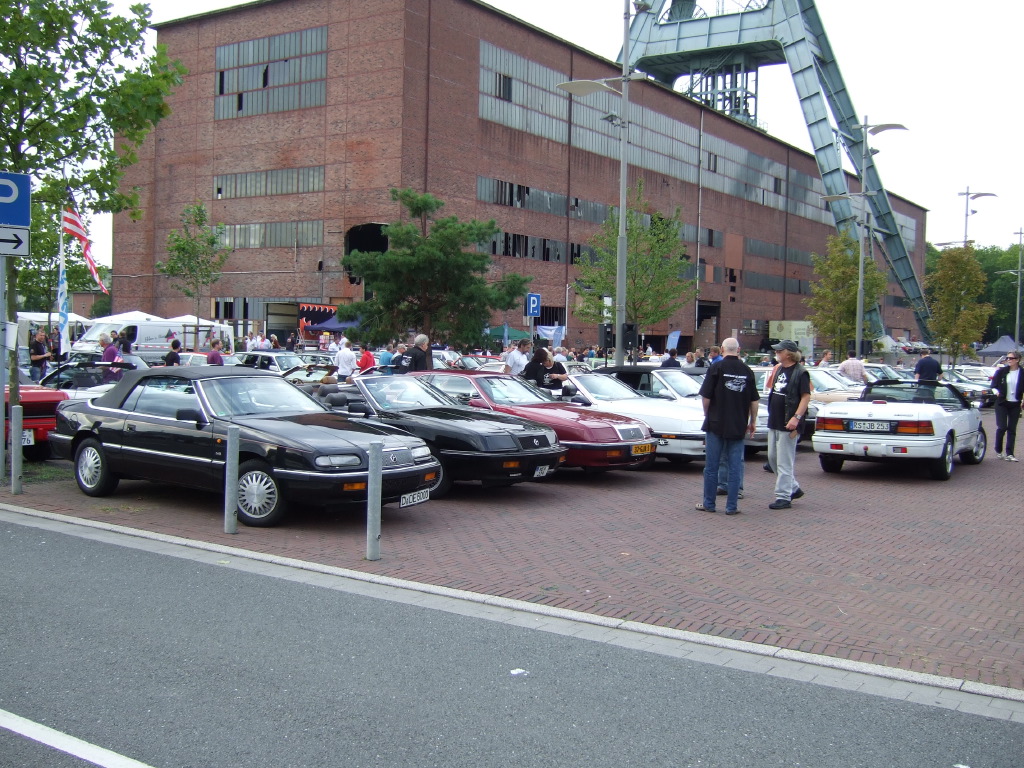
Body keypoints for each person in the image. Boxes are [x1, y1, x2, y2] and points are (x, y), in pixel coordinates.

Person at [696, 338, 759, 516]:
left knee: (712, 466)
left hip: (716, 422)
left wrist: (708, 414)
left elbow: (706, 396)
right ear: (739, 349)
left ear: (722, 349)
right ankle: (732, 506)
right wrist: (752, 422)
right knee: (734, 466)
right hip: (738, 423)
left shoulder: (716, 368)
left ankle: (709, 503)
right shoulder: (747, 370)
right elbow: (754, 401)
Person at [765, 340, 810, 510]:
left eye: (779, 351)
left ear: (789, 354)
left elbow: (805, 396)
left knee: (784, 461)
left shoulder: (800, 372)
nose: (776, 353)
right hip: (775, 420)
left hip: (788, 422)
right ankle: (793, 487)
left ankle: (783, 496)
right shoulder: (779, 369)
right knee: (773, 458)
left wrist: (796, 417)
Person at [992, 352, 1023, 461]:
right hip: (1002, 402)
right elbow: (993, 385)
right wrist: (997, 392)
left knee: (1012, 428)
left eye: (1011, 358)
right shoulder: (1001, 371)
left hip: (1015, 403)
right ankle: (998, 450)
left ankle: (1010, 454)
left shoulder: (1022, 373)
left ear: (1017, 360)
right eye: (1007, 358)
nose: (1008, 360)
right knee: (1002, 427)